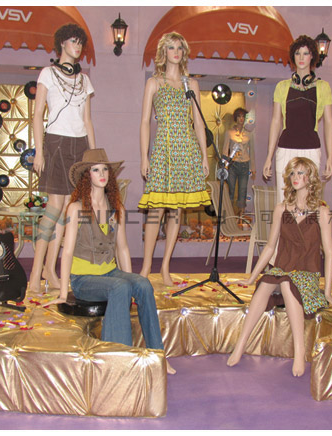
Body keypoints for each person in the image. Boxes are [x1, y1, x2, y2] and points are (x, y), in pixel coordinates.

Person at [48, 149, 175, 374]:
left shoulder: (117, 209)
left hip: (110, 273)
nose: (102, 174)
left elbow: (122, 248)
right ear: (87, 176)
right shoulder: (76, 208)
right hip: (84, 279)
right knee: (120, 287)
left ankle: (158, 356)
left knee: (143, 284)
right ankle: (118, 361)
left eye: (105, 169)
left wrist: (132, 279)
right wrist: (63, 291)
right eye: (96, 170)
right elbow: (66, 253)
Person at [228, 157, 332, 377]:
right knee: (266, 283)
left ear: (310, 177)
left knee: (289, 285)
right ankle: (240, 344)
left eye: (301, 173)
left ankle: (299, 352)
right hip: (282, 267)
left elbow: (329, 254)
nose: (295, 178)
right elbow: (270, 247)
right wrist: (251, 278)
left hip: (306, 272)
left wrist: (327, 292)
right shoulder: (281, 209)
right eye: (292, 173)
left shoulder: (322, 212)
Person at [138, 32, 210, 286]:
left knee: (177, 211)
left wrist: (204, 156)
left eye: (179, 47)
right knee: (155, 210)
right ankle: (146, 267)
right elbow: (145, 122)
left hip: (186, 151)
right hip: (163, 150)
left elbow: (198, 122)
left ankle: (165, 266)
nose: (176, 52)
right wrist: (144, 156)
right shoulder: (154, 83)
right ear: (163, 52)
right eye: (171, 47)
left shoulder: (192, 84)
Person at [30, 23, 96, 293]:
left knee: (68, 211)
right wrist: (39, 151)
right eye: (72, 41)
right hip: (56, 142)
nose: (77, 46)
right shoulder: (48, 73)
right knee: (54, 208)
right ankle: (35, 275)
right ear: (61, 44)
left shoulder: (84, 80)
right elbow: (37, 115)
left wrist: (94, 156)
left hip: (79, 145)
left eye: (80, 42)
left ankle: (50, 270)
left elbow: (87, 120)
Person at [262, 35, 332, 204]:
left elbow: (329, 122)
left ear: (312, 57)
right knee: (284, 201)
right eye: (297, 53)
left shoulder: (323, 87)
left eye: (306, 53)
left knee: (309, 201)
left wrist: (330, 157)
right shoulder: (282, 87)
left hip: (311, 149)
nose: (301, 57)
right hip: (285, 149)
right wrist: (269, 156)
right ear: (293, 57)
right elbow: (276, 121)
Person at [222, 107, 256, 219]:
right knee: (231, 190)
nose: (241, 119)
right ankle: (229, 216)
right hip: (233, 164)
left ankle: (241, 217)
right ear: (235, 118)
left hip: (245, 164)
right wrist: (224, 166)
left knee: (243, 190)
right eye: (239, 116)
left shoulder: (249, 134)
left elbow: (252, 151)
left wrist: (253, 168)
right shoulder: (229, 133)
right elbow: (225, 150)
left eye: (243, 117)